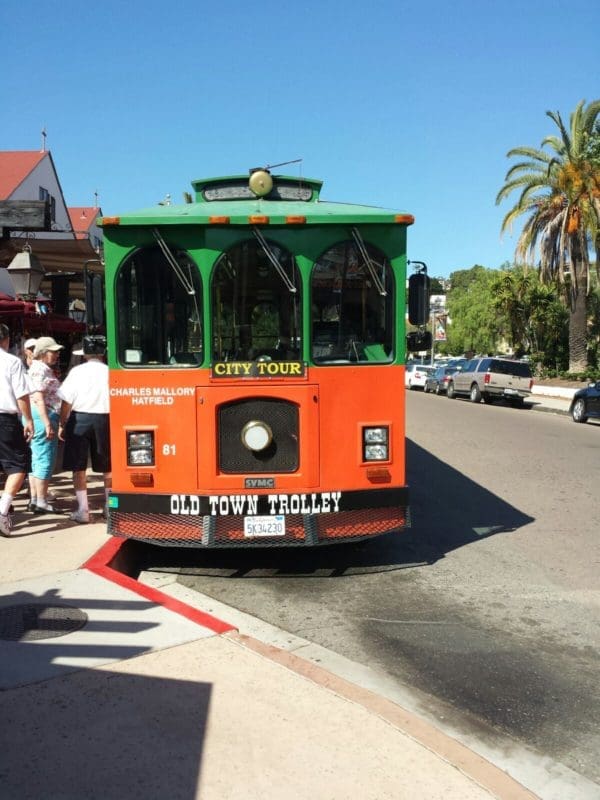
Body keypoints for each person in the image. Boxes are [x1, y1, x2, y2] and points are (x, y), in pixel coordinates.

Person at [58, 344, 111, 523]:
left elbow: (66, 400)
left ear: (85, 355)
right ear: (103, 354)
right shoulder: (110, 371)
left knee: (78, 467)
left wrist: (62, 423)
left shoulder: (77, 372)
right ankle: (109, 507)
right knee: (107, 467)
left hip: (80, 419)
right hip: (105, 419)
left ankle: (83, 510)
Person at [0, 323, 34, 536]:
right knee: (18, 465)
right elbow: (21, 394)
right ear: (6, 340)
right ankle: (2, 510)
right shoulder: (11, 362)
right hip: (5, 418)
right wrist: (28, 419)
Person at [27, 336, 64, 513]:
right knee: (45, 458)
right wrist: (47, 423)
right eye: (53, 351)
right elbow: (39, 397)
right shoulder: (40, 370)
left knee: (37, 457)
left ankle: (35, 498)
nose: (56, 355)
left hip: (41, 415)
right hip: (44, 415)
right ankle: (40, 500)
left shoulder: (39, 368)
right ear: (43, 353)